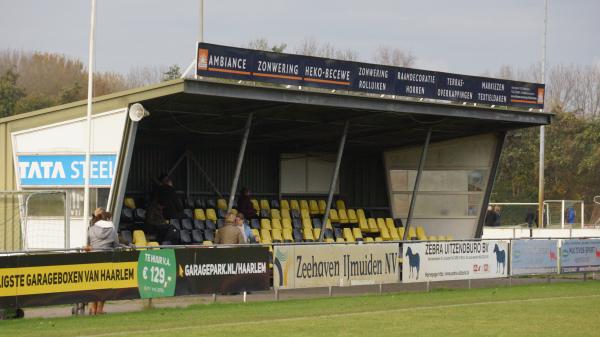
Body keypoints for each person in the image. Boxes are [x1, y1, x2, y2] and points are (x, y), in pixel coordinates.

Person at [85, 208, 120, 315]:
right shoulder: (112, 229)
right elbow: (116, 245)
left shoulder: (91, 229)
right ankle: (99, 309)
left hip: (93, 260)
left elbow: (88, 244)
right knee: (104, 285)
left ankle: (92, 307)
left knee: (93, 284)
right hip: (106, 260)